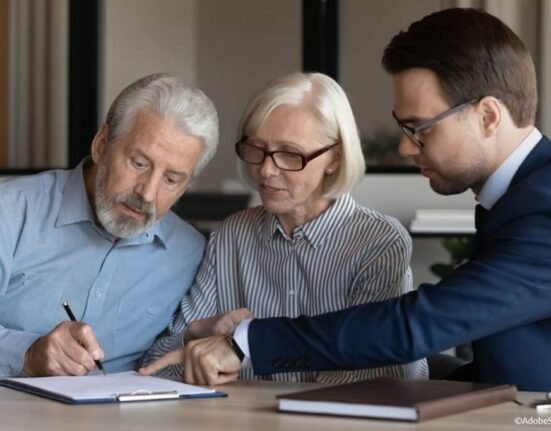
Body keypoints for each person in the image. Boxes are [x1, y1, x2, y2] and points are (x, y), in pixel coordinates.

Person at [144, 8, 551, 392]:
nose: (406, 149)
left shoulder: (543, 207)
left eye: (419, 128)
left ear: (488, 117)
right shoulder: (516, 199)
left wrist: (245, 343)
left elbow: (415, 327)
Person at [140, 72, 428, 384]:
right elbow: (159, 366)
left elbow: (379, 376)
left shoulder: (377, 242)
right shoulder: (231, 236)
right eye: (257, 148)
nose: (265, 170)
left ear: (336, 157)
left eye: (289, 154)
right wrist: (195, 335)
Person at [0, 73, 219, 377]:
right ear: (102, 145)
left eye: (171, 179)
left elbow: (170, 362)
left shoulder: (191, 253)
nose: (147, 193)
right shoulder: (10, 211)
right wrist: (25, 353)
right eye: (139, 163)